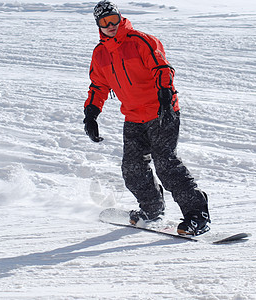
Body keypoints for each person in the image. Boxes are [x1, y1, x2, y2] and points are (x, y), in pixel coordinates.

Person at [83, 0, 210, 235]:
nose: (110, 25)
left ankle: (197, 214)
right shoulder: (100, 53)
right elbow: (98, 86)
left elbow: (162, 68)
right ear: (98, 25)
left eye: (113, 19)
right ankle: (152, 209)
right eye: (104, 22)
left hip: (160, 111)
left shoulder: (140, 40)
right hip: (133, 116)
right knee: (132, 169)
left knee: (165, 163)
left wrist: (164, 93)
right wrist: (91, 113)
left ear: (120, 17)